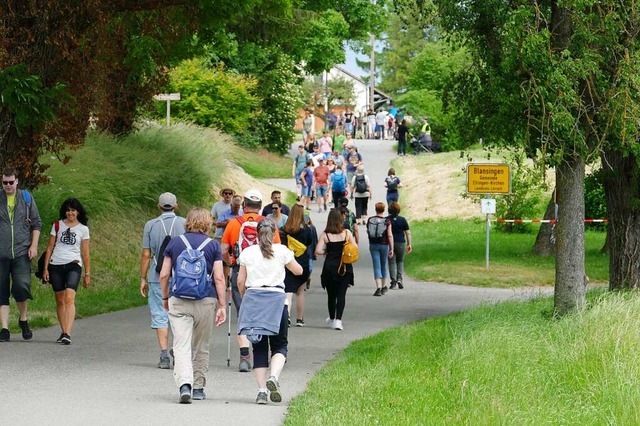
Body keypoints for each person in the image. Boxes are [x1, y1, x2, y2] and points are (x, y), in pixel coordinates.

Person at [160, 207, 227, 403]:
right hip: (205, 300)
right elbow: (219, 277)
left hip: (178, 299)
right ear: (208, 223)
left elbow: (164, 274)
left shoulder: (175, 242)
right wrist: (222, 304)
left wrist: (165, 298)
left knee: (181, 345)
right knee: (201, 346)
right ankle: (198, 387)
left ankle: (184, 385)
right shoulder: (213, 245)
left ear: (188, 221)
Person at [237, 217, 303, 405]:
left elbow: (240, 281)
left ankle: (261, 391)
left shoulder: (248, 252)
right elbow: (298, 271)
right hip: (276, 301)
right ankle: (273, 377)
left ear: (257, 233)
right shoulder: (282, 251)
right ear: (275, 233)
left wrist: (245, 297)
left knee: (258, 347)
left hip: (254, 300)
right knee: (280, 344)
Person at [221, 189, 281, 372]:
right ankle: (265, 353)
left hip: (240, 270)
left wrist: (230, 262)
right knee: (264, 313)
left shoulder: (233, 223)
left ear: (244, 205)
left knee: (243, 312)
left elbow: (223, 249)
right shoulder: (269, 224)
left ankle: (244, 356)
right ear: (261, 206)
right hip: (264, 273)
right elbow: (277, 250)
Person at [140, 192, 186, 367]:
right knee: (179, 312)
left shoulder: (151, 225)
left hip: (157, 275)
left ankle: (164, 355)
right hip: (181, 276)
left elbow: (146, 254)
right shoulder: (184, 223)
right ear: (176, 206)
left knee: (160, 313)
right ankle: (178, 349)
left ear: (159, 206)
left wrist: (143, 278)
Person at [0, 168, 42, 342]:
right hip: (1, 253)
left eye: (11, 182)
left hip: (22, 252)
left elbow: (37, 223)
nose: (8, 186)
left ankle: (23, 319)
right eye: (5, 183)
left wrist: (33, 245)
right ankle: (4, 328)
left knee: (21, 286)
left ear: (17, 181)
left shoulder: (26, 198)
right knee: (1, 291)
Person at [42, 198, 90, 345]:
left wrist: (87, 273)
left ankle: (68, 333)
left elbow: (86, 252)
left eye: (73, 210)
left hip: (73, 265)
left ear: (78, 212)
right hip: (56, 264)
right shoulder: (57, 225)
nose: (70, 213)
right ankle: (63, 331)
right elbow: (49, 247)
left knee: (69, 298)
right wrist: (45, 268)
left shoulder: (83, 229)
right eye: (68, 210)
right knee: (60, 300)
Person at [315, 209, 356, 331]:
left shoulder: (325, 234)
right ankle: (339, 320)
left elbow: (317, 251)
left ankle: (332, 318)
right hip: (344, 267)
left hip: (330, 268)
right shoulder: (347, 233)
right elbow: (354, 247)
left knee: (331, 295)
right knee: (341, 294)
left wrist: (326, 251)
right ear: (341, 219)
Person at [280, 205, 314, 327]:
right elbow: (310, 242)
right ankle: (300, 319)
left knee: (287, 291)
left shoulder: (284, 229)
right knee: (300, 292)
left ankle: (286, 317)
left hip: (288, 262)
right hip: (303, 262)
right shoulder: (306, 229)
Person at [367, 202, 394, 296]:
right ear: (383, 210)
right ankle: (383, 286)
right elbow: (390, 235)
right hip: (384, 245)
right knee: (383, 265)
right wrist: (392, 248)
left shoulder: (370, 220)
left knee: (376, 266)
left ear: (375, 209)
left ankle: (378, 287)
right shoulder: (387, 221)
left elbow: (368, 232)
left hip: (373, 245)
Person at [387, 202, 412, 290]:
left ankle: (393, 281)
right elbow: (408, 233)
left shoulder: (387, 219)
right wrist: (409, 244)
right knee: (400, 261)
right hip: (401, 242)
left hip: (390, 244)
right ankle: (400, 279)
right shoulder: (402, 220)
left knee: (391, 262)